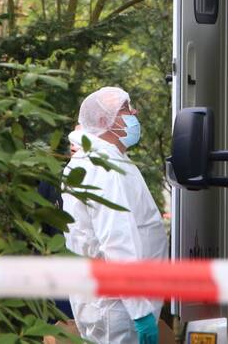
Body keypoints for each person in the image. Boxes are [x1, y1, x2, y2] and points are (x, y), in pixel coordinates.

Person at [63, 87, 167, 344]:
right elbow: (116, 240)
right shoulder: (101, 167)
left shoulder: (109, 160)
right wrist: (140, 312)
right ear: (102, 122)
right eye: (124, 109)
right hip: (118, 308)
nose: (134, 112)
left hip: (117, 303)